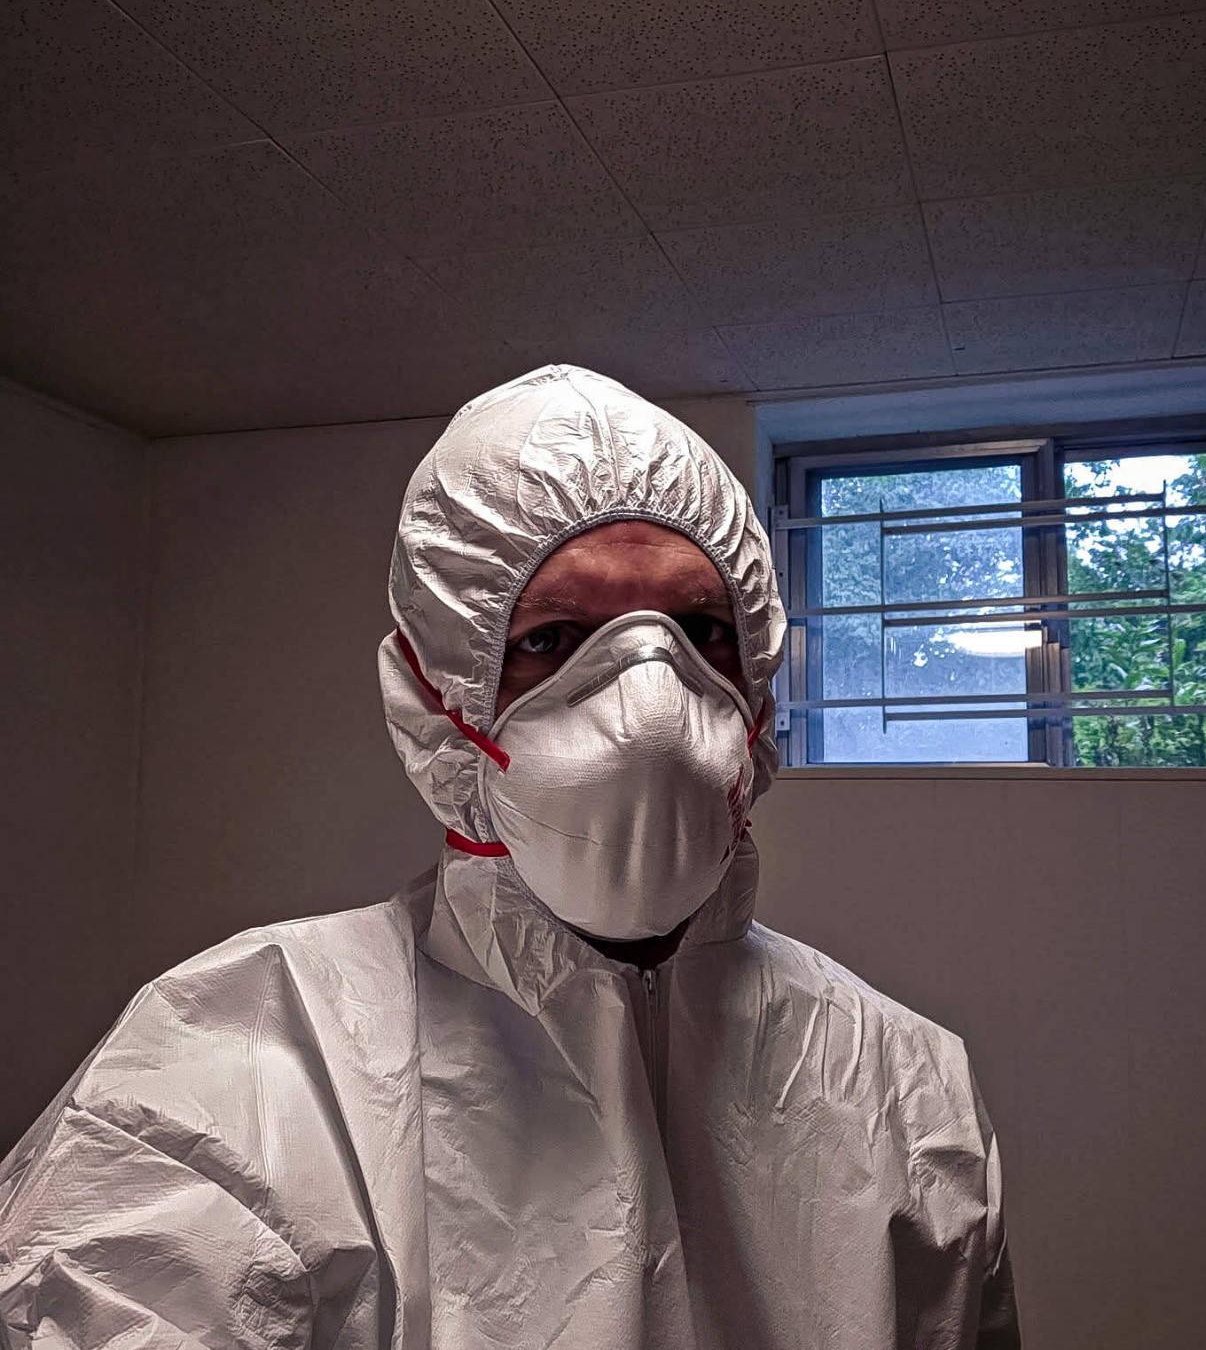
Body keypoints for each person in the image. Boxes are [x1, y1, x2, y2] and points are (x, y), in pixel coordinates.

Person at [0, 366, 1019, 1348]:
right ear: (436, 699)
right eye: (554, 639)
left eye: (700, 628)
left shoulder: (906, 1086)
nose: (650, 709)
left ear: (758, 690)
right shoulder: (239, 1063)